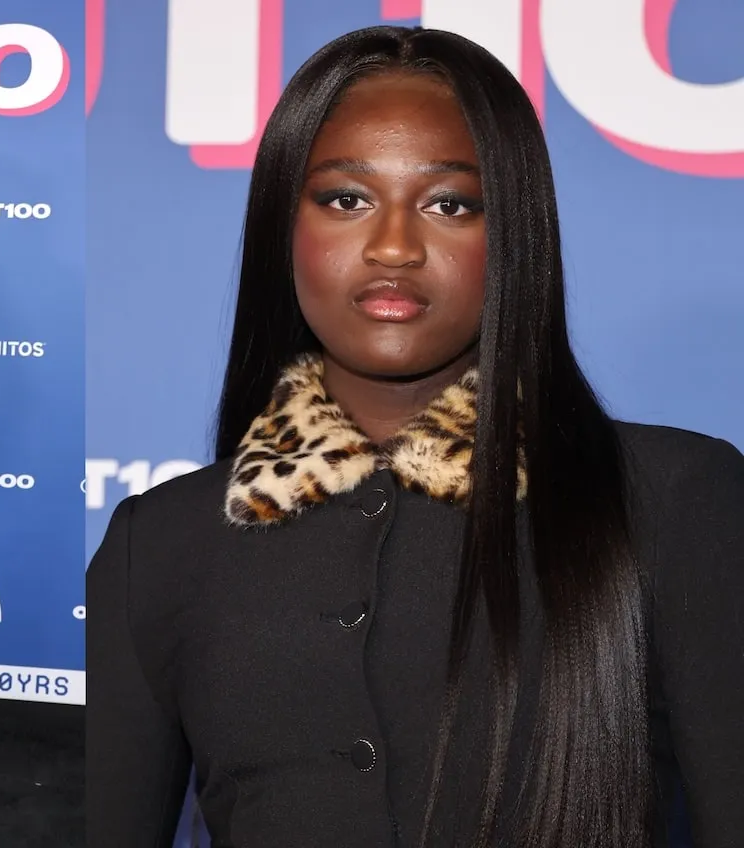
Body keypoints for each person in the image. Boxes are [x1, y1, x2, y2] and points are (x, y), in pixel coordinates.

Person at [86, 25, 744, 848]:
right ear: (282, 225)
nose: (394, 246)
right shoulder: (162, 544)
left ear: (513, 235)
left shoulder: (675, 501)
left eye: (450, 204)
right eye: (346, 199)